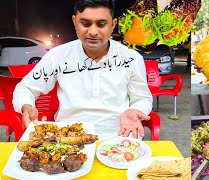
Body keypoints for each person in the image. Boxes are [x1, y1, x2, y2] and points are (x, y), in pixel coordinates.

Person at [13, 0, 153, 140]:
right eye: (85, 24)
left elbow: (142, 98)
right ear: (74, 22)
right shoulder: (58, 56)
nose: (93, 32)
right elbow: (26, 87)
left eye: (101, 24)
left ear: (113, 24)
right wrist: (26, 105)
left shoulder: (131, 58)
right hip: (68, 138)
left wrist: (135, 110)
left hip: (120, 136)